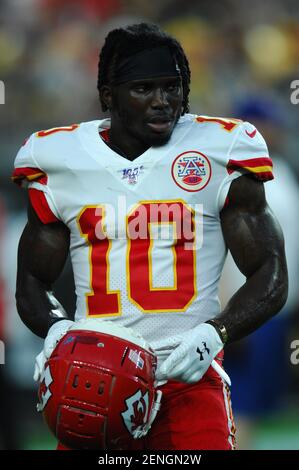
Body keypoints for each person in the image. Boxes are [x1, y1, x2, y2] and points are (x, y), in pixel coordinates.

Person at [12, 23, 288, 450]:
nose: (162, 102)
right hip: (94, 384)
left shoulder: (220, 149)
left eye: (171, 88)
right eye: (144, 89)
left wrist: (216, 333)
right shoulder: (57, 160)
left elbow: (270, 271)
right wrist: (56, 331)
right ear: (108, 95)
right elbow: (31, 280)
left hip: (188, 383)